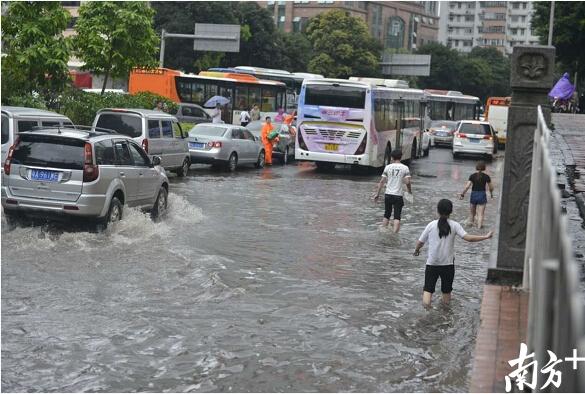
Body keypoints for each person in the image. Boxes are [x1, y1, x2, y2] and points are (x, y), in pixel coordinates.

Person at [414, 199, 493, 307]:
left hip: (432, 264)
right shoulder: (455, 225)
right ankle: (446, 316)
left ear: (438, 211)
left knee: (428, 290)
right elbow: (468, 238)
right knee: (446, 292)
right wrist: (485, 237)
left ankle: (426, 312)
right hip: (448, 265)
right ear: (451, 211)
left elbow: (420, 242)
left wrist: (417, 250)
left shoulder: (431, 225)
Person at [373, 149, 412, 233]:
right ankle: (394, 236)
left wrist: (377, 194)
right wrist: (409, 191)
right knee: (397, 217)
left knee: (386, 215)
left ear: (392, 157)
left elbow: (382, 181)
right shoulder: (405, 168)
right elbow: (408, 182)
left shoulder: (388, 167)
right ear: (401, 157)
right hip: (398, 195)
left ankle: (383, 231)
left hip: (388, 194)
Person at [459, 161, 494, 229]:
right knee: (480, 214)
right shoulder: (486, 177)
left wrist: (462, 194)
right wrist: (491, 194)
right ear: (484, 168)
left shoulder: (472, 176)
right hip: (482, 195)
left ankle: (470, 227)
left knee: (472, 214)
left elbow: (467, 187)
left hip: (473, 195)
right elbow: (491, 187)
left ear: (477, 167)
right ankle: (479, 229)